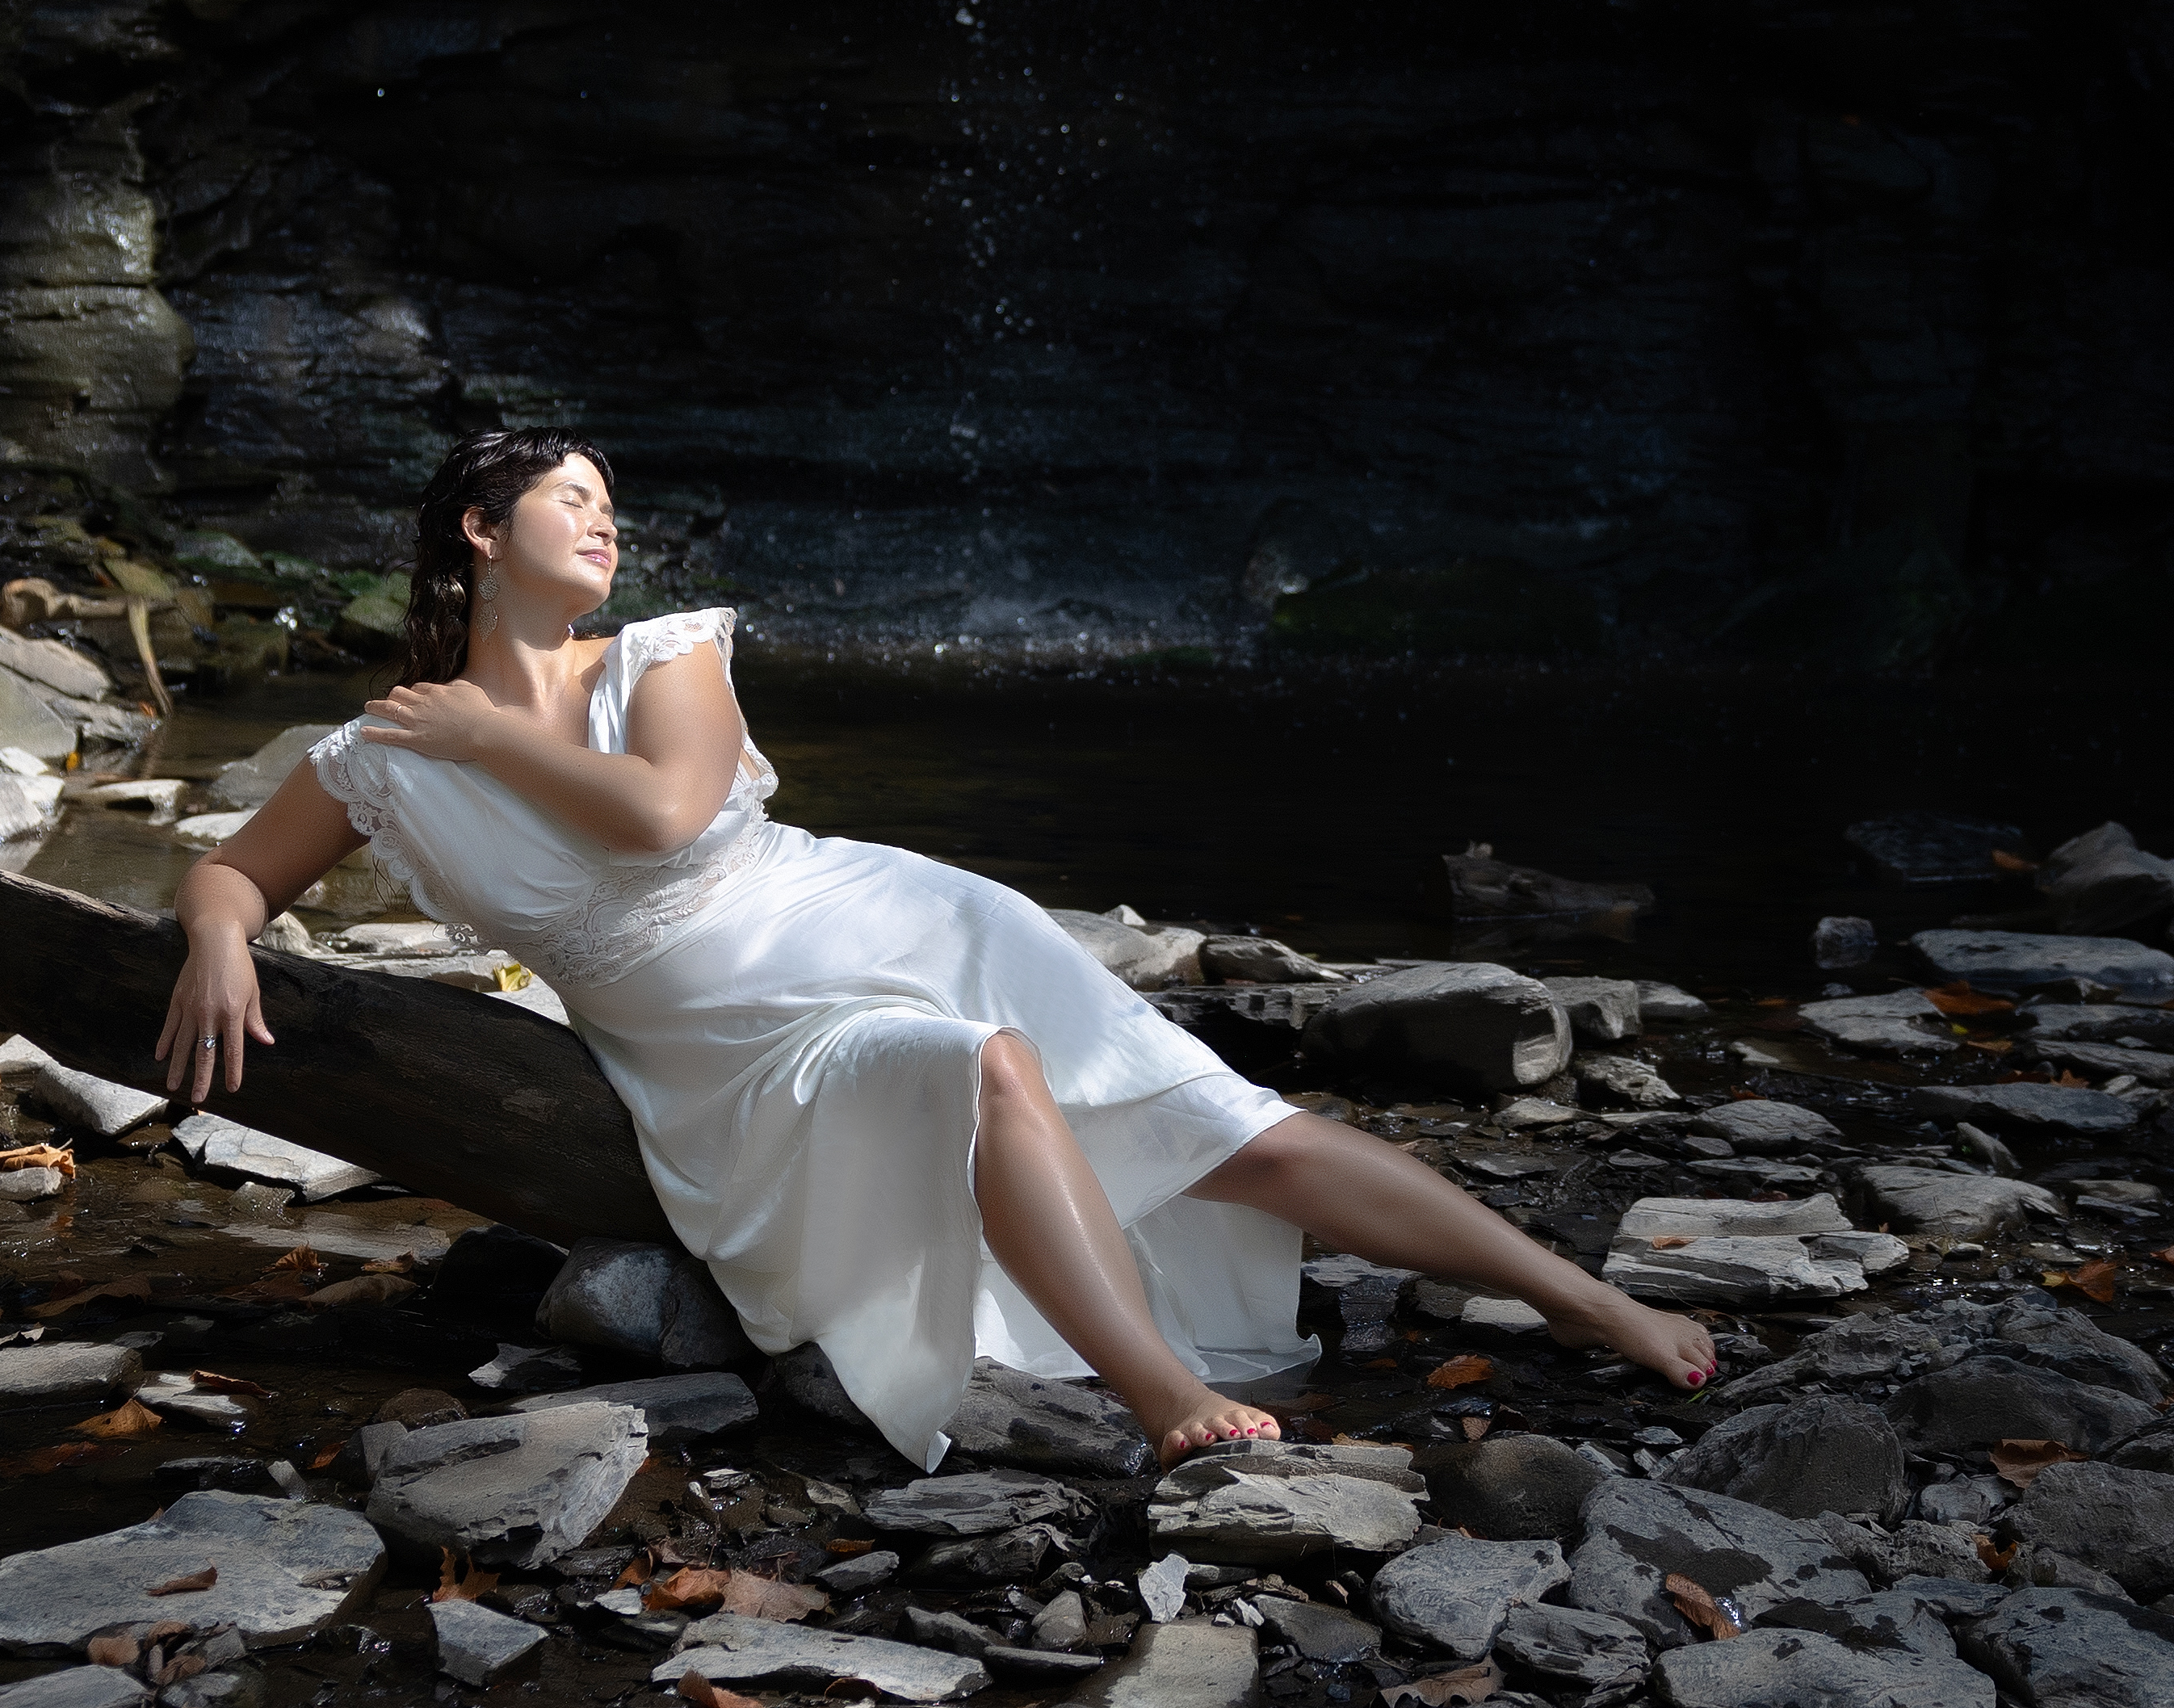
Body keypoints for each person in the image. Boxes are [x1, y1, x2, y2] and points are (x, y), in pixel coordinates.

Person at [157, 428, 1716, 1467]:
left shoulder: (665, 654)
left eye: (613, 501)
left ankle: (1585, 1303)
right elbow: (235, 870)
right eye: (575, 499)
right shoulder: (382, 752)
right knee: (978, 1075)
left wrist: (494, 741)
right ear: (480, 535)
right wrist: (222, 939)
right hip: (730, 1050)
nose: (609, 522)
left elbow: (663, 815)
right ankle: (1164, 1398)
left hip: (892, 916)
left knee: (1228, 1134)